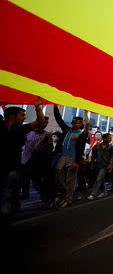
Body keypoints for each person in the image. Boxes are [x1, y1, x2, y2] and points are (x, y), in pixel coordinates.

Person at [0, 97, 45, 227]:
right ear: (12, 116)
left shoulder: (20, 129)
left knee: (7, 195)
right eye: (22, 115)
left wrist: (37, 108)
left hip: (11, 169)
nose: (24, 117)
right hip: (8, 168)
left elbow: (40, 122)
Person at [53, 105, 89, 208]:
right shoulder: (66, 130)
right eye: (75, 122)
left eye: (79, 123)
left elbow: (81, 148)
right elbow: (59, 119)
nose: (77, 124)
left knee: (70, 180)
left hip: (73, 157)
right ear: (72, 123)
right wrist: (55, 106)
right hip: (63, 156)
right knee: (58, 173)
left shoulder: (81, 134)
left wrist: (76, 162)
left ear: (81, 124)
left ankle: (68, 199)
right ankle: (64, 192)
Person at [20, 116, 52, 207]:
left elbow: (50, 148)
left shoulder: (47, 135)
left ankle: (46, 199)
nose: (44, 125)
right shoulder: (28, 132)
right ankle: (23, 196)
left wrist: (41, 148)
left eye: (46, 123)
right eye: (42, 122)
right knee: (22, 180)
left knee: (36, 182)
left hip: (37, 162)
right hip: (25, 160)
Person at [87, 133, 113, 200]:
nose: (110, 139)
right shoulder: (97, 146)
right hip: (97, 165)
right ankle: (104, 192)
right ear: (105, 139)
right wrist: (92, 164)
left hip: (105, 166)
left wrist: (110, 165)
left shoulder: (111, 147)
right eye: (109, 138)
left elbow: (112, 157)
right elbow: (93, 156)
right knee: (100, 179)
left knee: (98, 179)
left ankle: (93, 194)